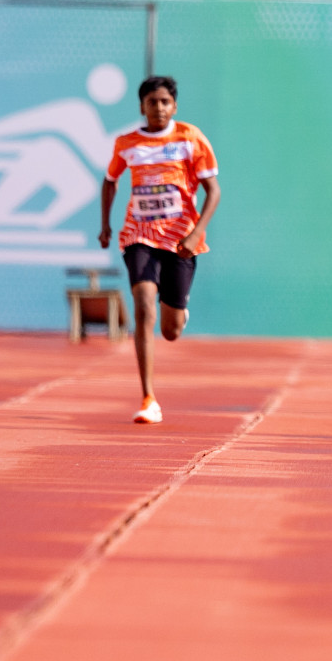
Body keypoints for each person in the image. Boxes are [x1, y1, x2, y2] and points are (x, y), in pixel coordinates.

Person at [99, 76, 219, 424]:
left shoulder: (189, 138)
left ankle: (179, 308)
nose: (159, 108)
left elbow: (213, 191)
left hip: (180, 238)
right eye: (152, 102)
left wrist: (196, 233)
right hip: (139, 234)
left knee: (170, 330)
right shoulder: (127, 142)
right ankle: (148, 397)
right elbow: (110, 181)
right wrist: (106, 225)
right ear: (142, 107)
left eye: (165, 102)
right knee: (143, 307)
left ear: (174, 106)